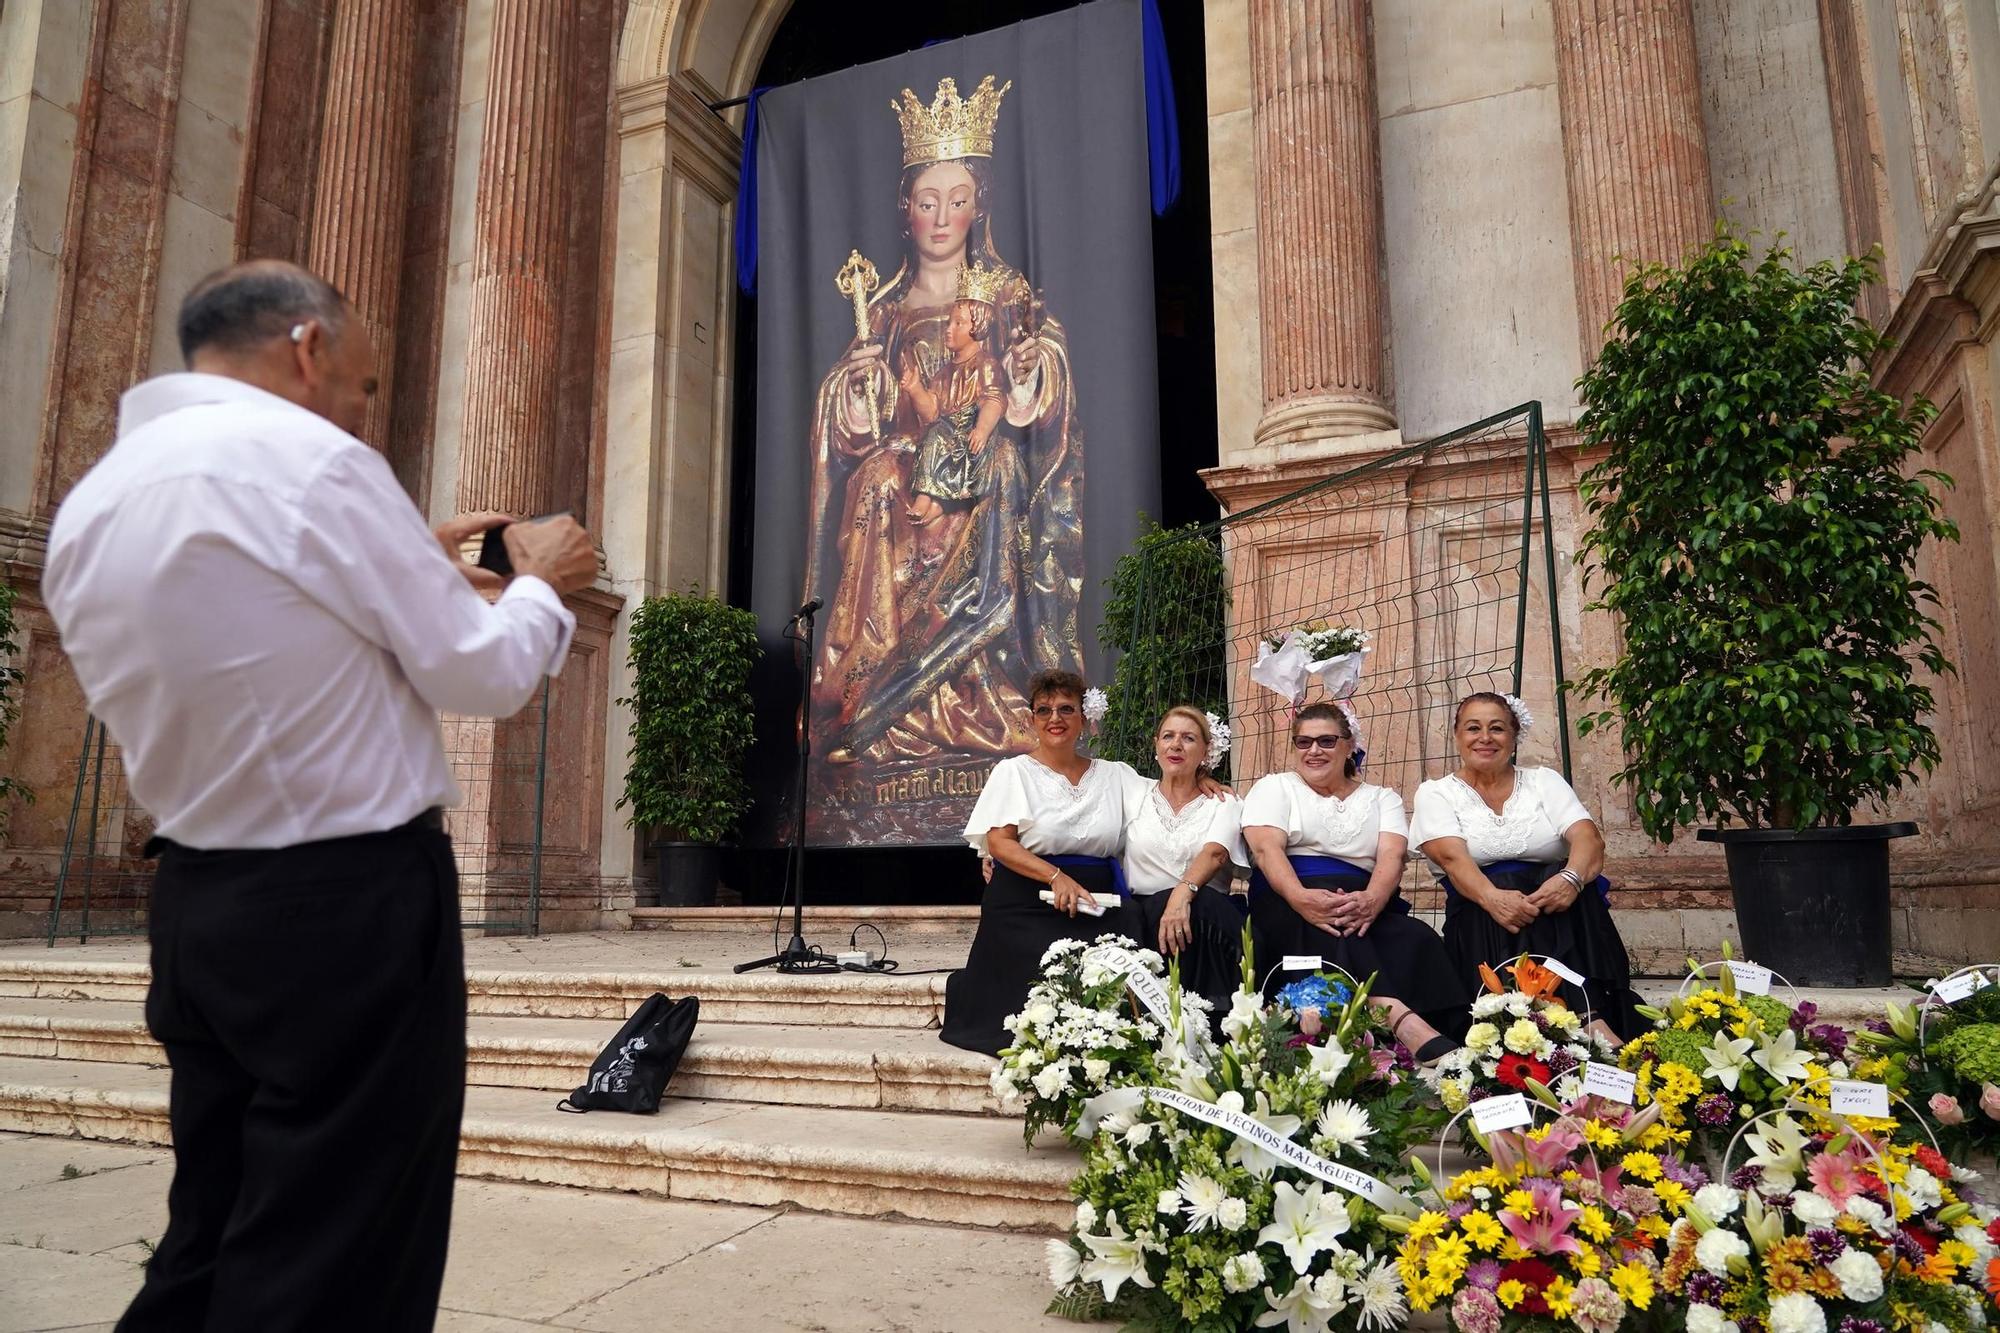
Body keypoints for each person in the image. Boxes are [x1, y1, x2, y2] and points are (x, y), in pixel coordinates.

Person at [41, 260, 597, 1331]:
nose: (362, 407)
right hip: (344, 908)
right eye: (366, 383)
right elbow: (478, 673)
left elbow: (262, 640)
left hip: (199, 904)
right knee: (337, 1258)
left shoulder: (95, 501)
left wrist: (408, 562)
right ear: (306, 349)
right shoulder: (311, 462)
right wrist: (539, 580)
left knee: (212, 1232)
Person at [809, 74, 1084, 772]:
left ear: (976, 208)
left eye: (956, 202)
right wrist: (861, 388)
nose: (940, 217)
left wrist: (1027, 371)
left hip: (978, 460)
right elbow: (856, 420)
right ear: (907, 209)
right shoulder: (885, 309)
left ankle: (969, 675)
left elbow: (1035, 376)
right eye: (928, 202)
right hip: (908, 457)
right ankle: (870, 671)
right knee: (875, 478)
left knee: (988, 482)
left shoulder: (1009, 293)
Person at [1409, 691, 1644, 1042]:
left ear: (1514, 737)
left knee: (1554, 888)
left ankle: (1582, 1018)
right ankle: (1586, 1016)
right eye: (1474, 728)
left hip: (1557, 904)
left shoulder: (1543, 781)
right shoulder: (1436, 793)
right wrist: (1493, 898)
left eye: (1498, 729)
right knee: (1507, 883)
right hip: (1481, 914)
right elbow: (1451, 859)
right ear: (1457, 735)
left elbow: (1588, 840)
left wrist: (1570, 878)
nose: (1485, 738)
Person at [941, 670, 1154, 1056]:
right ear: (1033, 719)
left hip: (1097, 899)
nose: (1055, 718)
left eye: (1066, 709)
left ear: (1084, 719)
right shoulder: (1014, 772)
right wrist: (1056, 877)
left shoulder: (1115, 776)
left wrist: (1203, 778)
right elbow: (1000, 843)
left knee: (1125, 939)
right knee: (1044, 966)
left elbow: (1170, 796)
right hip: (1026, 898)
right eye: (1044, 710)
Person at [1243, 703, 1468, 1060]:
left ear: (1349, 745)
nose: (1313, 751)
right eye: (1303, 742)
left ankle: (1451, 1035)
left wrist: (1372, 901)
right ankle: (1401, 1021)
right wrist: (1301, 897)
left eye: (1327, 741)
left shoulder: (1382, 798)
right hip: (1286, 897)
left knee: (1415, 937)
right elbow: (1266, 849)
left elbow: (1392, 857)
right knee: (1335, 923)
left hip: (1366, 902)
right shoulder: (1276, 788)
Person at [1120, 706, 1248, 1017]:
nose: (1176, 745)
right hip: (1146, 918)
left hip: (1205, 921)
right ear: (1156, 745)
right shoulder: (1131, 791)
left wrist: (1182, 895)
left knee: (1201, 908)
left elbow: (1215, 853)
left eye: (1188, 738)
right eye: (1169, 736)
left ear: (1205, 751)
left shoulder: (1223, 802)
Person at [901, 269, 1007, 530]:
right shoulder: (943, 373)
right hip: (946, 430)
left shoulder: (987, 365)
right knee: (933, 435)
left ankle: (936, 504)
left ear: (978, 327)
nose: (948, 330)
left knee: (938, 437)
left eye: (958, 323)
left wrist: (982, 430)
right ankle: (926, 498)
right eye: (949, 322)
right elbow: (931, 413)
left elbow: (994, 400)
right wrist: (915, 390)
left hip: (969, 430)